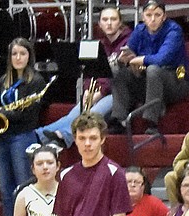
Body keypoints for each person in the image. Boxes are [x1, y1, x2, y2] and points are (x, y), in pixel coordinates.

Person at [34, 5, 127, 150]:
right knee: (72, 116)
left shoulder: (128, 42)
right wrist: (87, 91)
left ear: (120, 22)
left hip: (117, 94)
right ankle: (38, 135)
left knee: (91, 115)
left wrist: (100, 92)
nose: (109, 23)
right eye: (105, 19)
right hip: (96, 90)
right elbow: (89, 69)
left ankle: (62, 136)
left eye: (113, 19)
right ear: (100, 24)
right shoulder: (98, 44)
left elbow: (120, 75)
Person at [0, 39, 48, 216]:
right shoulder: (4, 80)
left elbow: (29, 114)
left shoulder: (36, 81)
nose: (18, 58)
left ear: (29, 56)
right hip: (2, 139)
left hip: (23, 137)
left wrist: (2, 113)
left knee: (24, 187)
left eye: (22, 54)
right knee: (5, 191)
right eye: (14, 54)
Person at [108, 0, 189, 136]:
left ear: (164, 17)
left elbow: (162, 59)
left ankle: (151, 122)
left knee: (153, 69)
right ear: (143, 17)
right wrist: (124, 60)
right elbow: (128, 52)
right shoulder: (139, 30)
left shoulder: (174, 30)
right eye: (149, 15)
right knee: (120, 73)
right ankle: (119, 120)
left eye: (157, 15)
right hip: (150, 81)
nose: (153, 19)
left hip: (177, 81)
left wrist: (138, 60)